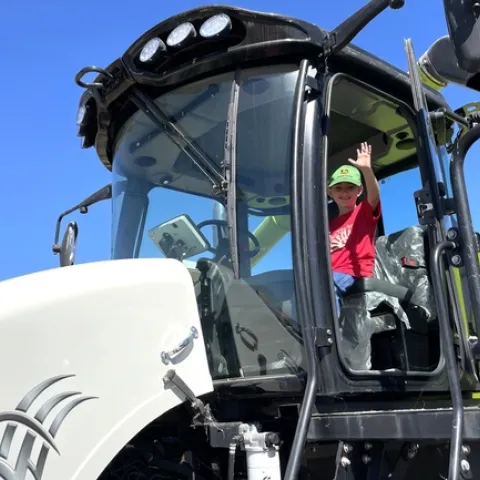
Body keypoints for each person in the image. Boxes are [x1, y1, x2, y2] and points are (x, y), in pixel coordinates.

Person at [328, 142, 381, 316]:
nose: (344, 192)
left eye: (350, 187)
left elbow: (373, 196)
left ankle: (329, 336)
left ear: (359, 190)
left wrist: (366, 169)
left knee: (327, 285)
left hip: (353, 273)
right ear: (330, 193)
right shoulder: (330, 226)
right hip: (333, 273)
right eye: (339, 188)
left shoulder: (362, 212)